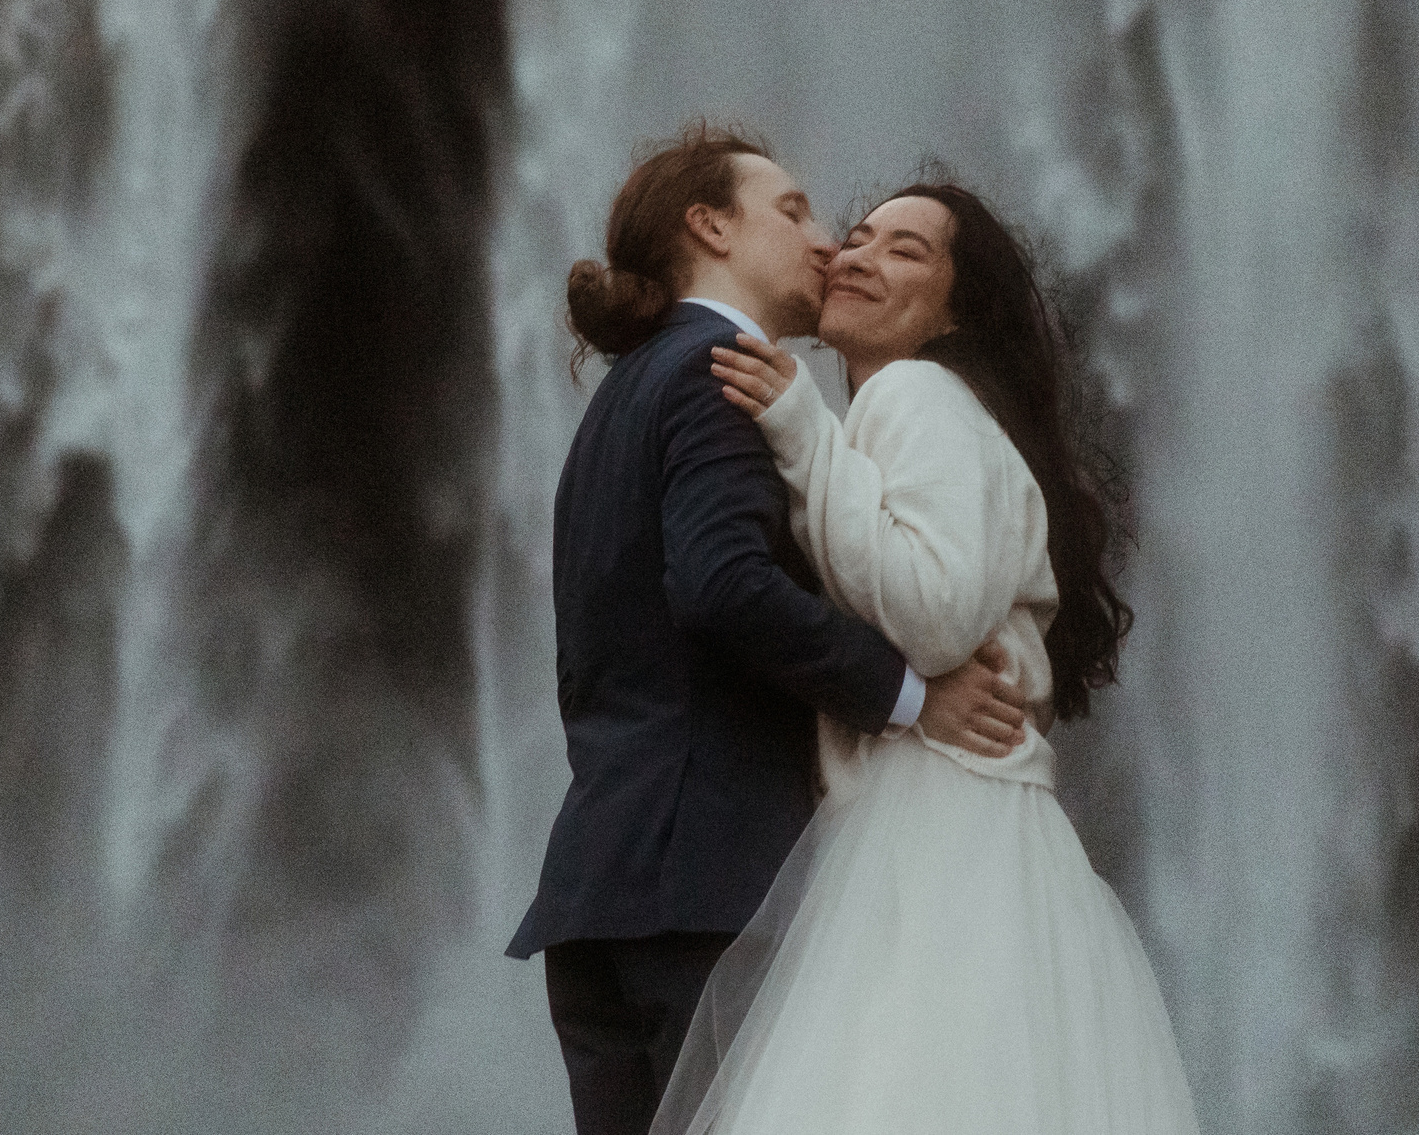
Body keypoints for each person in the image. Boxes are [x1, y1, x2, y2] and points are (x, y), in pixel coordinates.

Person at [507, 126, 1034, 1135]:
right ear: (710, 228)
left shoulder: (621, 399)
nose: (827, 240)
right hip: (708, 889)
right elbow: (722, 587)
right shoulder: (719, 374)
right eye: (792, 211)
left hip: (598, 891)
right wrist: (912, 697)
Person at [653, 177, 1200, 1135]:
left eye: (906, 250)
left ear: (956, 312)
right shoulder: (938, 413)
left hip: (936, 832)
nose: (857, 256)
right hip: (981, 834)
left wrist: (804, 431)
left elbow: (937, 611)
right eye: (859, 237)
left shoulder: (915, 392)